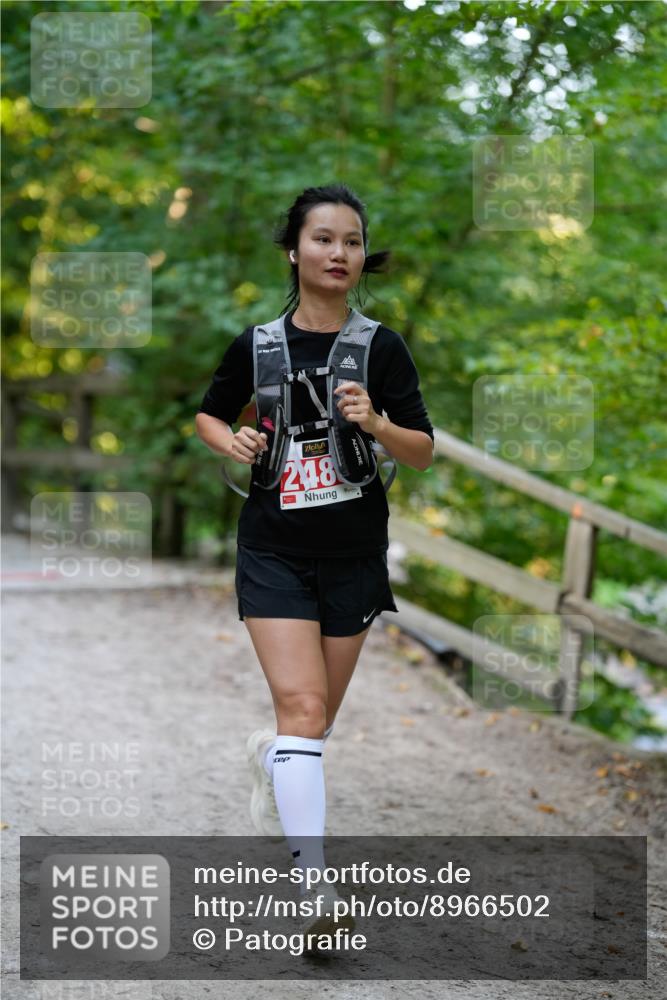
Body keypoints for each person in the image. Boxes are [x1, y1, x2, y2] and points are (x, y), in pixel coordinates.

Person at [195, 183, 434, 941]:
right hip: (272, 546)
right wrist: (228, 439)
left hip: (353, 555)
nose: (339, 253)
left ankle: (274, 760)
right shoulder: (258, 344)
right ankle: (313, 891)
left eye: (353, 241)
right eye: (324, 239)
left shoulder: (380, 346)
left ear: (363, 256)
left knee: (312, 724)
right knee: (302, 709)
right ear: (294, 250)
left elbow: (422, 453)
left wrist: (378, 421)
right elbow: (209, 411)